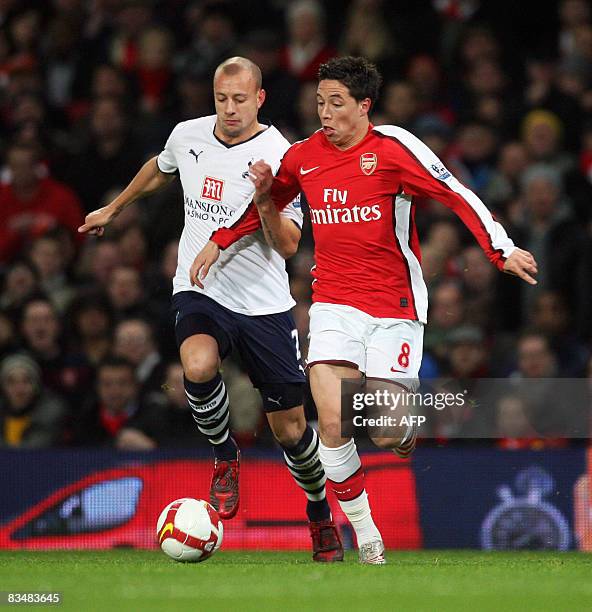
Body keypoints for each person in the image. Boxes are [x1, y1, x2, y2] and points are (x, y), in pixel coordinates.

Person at [192, 56, 538, 564]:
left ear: (363, 106)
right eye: (319, 103)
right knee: (331, 425)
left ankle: (406, 423)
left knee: (382, 427)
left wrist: (499, 249)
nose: (325, 113)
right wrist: (222, 238)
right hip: (332, 304)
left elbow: (456, 193)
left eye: (336, 103)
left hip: (394, 306)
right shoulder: (303, 156)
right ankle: (368, 537)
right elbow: (266, 199)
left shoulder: (393, 148)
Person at [78, 57, 342, 562]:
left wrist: (265, 200)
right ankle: (224, 456)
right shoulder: (189, 134)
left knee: (290, 430)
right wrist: (114, 208)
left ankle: (318, 513)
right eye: (221, 99)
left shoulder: (282, 155)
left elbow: (288, 246)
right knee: (197, 366)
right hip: (200, 289)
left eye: (240, 99)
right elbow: (162, 167)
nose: (229, 109)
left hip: (264, 305)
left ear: (259, 99)